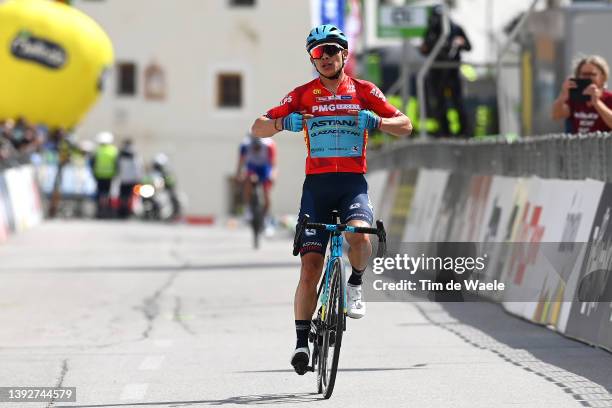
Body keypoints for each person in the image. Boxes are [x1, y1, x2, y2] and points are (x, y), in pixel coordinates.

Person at [251, 24, 412, 375]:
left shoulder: (365, 90)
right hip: (317, 188)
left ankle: (354, 283)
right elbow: (258, 127)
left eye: (330, 51)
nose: (323, 58)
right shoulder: (302, 94)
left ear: (343, 54)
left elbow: (406, 125)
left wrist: (378, 122)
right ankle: (300, 344)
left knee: (360, 234)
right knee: (310, 267)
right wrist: (283, 124)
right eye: (316, 53)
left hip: (352, 183)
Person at [420, 5, 471, 137]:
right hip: (437, 71)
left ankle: (464, 131)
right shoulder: (431, 31)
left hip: (452, 71)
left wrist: (461, 42)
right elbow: (425, 49)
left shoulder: (456, 29)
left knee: (457, 101)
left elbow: (468, 46)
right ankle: (445, 131)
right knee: (439, 102)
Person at [552, 55, 612, 133]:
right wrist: (562, 96)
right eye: (584, 74)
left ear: (603, 77)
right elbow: (556, 115)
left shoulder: (609, 98)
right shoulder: (575, 99)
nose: (587, 78)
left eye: (592, 74)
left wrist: (597, 103)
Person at [235, 133, 277, 227]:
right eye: (254, 147)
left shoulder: (269, 145)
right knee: (247, 179)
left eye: (258, 147)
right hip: (252, 167)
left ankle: (265, 217)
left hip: (265, 167)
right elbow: (240, 163)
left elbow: (274, 165)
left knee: (266, 192)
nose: (256, 149)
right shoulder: (245, 145)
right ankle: (248, 208)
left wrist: (273, 176)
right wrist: (238, 175)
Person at [91, 131, 118, 218]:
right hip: (110, 176)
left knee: (100, 194)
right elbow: (116, 164)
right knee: (107, 194)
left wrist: (94, 173)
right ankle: (106, 211)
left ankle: (100, 211)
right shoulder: (113, 151)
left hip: (99, 175)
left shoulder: (98, 151)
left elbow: (93, 163)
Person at [117, 139, 144, 218]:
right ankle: (130, 211)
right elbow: (138, 167)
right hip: (133, 179)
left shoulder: (120, 154)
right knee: (133, 197)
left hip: (123, 179)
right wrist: (139, 178)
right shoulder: (135, 154)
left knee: (123, 196)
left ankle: (122, 211)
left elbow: (118, 166)